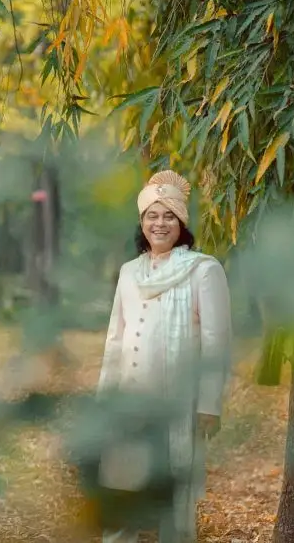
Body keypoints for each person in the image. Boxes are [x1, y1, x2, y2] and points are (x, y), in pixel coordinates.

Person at [96, 170, 232, 543]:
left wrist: (209, 404)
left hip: (178, 404)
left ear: (181, 222)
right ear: (142, 223)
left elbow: (217, 341)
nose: (160, 223)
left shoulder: (203, 270)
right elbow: (115, 339)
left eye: (168, 215)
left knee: (175, 495)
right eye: (151, 216)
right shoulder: (128, 272)